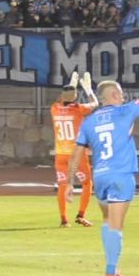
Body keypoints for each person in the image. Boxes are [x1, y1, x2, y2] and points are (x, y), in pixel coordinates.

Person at [67, 49, 139, 276]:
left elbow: (76, 154)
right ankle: (109, 274)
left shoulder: (88, 122)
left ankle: (114, 268)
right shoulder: (124, 112)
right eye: (120, 93)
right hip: (121, 175)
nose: (123, 96)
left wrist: (69, 183)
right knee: (116, 226)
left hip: (101, 177)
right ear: (115, 95)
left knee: (107, 220)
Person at [51, 71, 98, 228]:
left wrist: (71, 84)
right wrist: (89, 90)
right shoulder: (78, 109)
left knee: (62, 185)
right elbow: (95, 104)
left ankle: (63, 219)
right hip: (76, 155)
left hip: (60, 155)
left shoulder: (54, 109)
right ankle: (80, 215)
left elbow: (61, 99)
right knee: (87, 184)